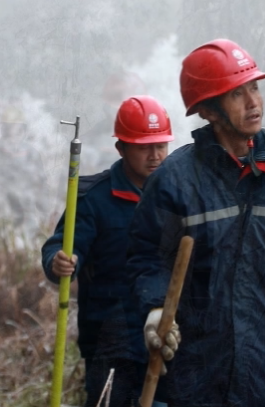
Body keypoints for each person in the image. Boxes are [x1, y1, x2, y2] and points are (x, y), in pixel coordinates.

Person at [127, 39, 265, 406]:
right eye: (236, 95)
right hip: (193, 374)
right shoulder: (174, 181)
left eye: (255, 88)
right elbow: (147, 256)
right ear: (209, 111)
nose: (253, 102)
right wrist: (154, 311)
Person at [41, 95, 174, 407]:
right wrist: (58, 260)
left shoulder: (178, 198)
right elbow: (60, 245)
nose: (155, 155)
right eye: (144, 146)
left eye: (161, 146)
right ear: (121, 148)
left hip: (167, 336)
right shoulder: (94, 199)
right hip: (109, 339)